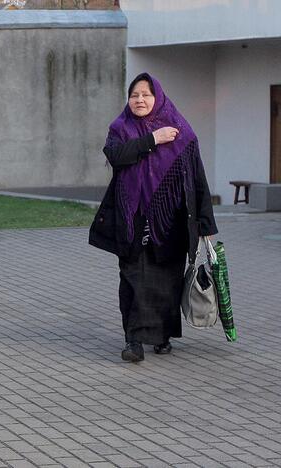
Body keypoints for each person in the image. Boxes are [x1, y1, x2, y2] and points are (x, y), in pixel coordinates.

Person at [89, 72, 218, 363]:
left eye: (146, 94)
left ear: (157, 97)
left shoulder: (181, 132)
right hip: (131, 218)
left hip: (171, 221)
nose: (139, 100)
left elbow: (198, 179)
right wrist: (152, 139)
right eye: (134, 95)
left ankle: (161, 336)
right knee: (132, 278)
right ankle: (133, 340)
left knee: (166, 280)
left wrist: (206, 224)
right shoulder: (120, 128)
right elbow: (116, 155)